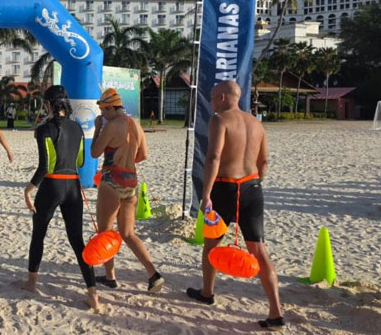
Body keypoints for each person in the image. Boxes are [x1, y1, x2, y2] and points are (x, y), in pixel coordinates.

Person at [186, 80, 284, 330]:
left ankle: (207, 292)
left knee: (211, 243)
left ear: (221, 97)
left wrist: (206, 193)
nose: (210, 101)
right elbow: (264, 161)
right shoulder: (256, 123)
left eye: (212, 96)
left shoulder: (219, 120)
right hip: (252, 188)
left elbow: (214, 157)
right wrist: (255, 184)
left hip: (225, 188)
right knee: (259, 250)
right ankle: (275, 311)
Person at [20, 86, 100, 310]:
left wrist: (28, 190)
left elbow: (45, 166)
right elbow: (81, 161)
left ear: (48, 104)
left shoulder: (44, 129)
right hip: (73, 186)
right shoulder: (77, 128)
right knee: (77, 240)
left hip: (52, 185)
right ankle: (93, 293)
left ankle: (31, 283)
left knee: (39, 234)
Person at [90, 88, 164, 292]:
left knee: (105, 232)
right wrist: (127, 162)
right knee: (128, 233)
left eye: (103, 110)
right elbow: (144, 155)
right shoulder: (135, 124)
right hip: (130, 181)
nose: (102, 114)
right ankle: (153, 274)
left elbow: (95, 152)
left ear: (110, 108)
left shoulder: (111, 126)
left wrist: (98, 128)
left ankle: (110, 277)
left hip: (111, 180)